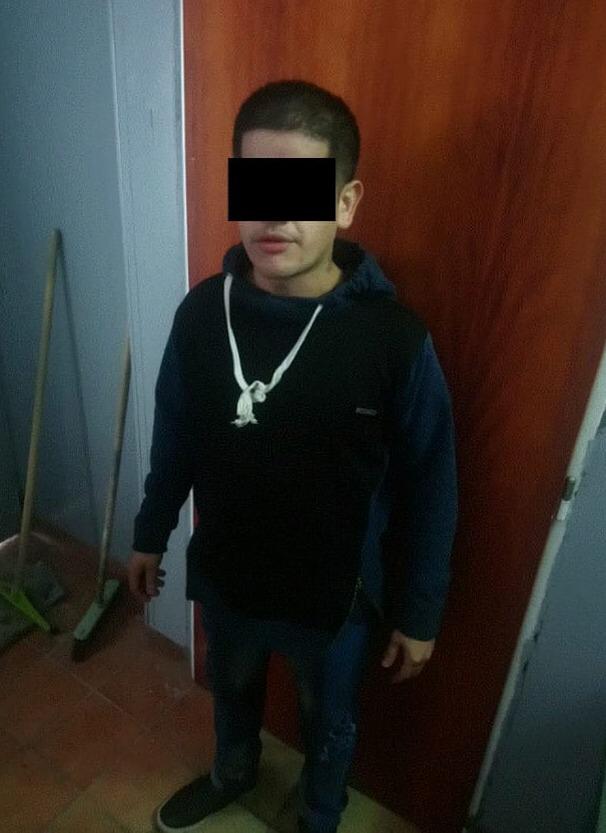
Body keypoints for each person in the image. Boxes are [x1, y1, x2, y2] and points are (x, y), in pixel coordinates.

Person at [127, 79, 458, 833]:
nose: (275, 215)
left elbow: (432, 484)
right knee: (233, 689)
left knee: (327, 718)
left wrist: (420, 610)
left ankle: (319, 815)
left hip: (333, 598)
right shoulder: (202, 313)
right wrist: (150, 532)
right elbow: (174, 433)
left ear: (345, 203)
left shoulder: (393, 341)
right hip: (229, 574)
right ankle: (233, 771)